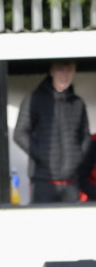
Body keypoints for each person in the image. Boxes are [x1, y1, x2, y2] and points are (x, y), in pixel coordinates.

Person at [13, 61, 90, 203]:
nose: (65, 76)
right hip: (43, 183)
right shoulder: (34, 99)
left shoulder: (78, 103)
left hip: (71, 183)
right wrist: (42, 154)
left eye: (69, 71)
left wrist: (77, 157)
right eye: (61, 70)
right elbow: (20, 133)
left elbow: (85, 136)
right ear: (52, 71)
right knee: (42, 224)